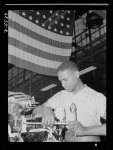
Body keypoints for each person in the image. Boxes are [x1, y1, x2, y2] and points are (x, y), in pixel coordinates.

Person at [32, 61, 106, 142]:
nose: (63, 84)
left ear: (76, 74)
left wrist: (85, 130)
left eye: (65, 79)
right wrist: (46, 110)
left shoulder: (96, 97)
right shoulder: (61, 95)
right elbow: (35, 110)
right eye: (61, 81)